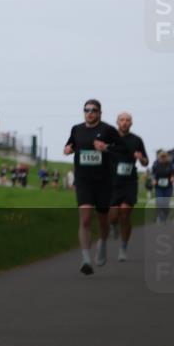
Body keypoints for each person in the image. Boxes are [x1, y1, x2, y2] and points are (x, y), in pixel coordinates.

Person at [63, 99, 122, 275]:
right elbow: (71, 145)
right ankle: (86, 258)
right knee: (86, 219)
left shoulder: (108, 130)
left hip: (104, 181)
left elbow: (121, 151)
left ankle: (102, 243)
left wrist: (106, 148)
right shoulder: (77, 129)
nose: (90, 113)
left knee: (103, 220)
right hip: (83, 180)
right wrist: (68, 149)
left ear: (100, 113)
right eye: (86, 110)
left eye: (93, 110)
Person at [106, 112, 149, 261]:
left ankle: (123, 247)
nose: (124, 122)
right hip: (112, 182)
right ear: (117, 122)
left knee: (125, 213)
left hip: (129, 181)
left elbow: (145, 162)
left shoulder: (137, 140)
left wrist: (141, 158)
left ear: (131, 123)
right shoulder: (110, 139)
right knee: (112, 217)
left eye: (127, 120)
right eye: (122, 120)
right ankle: (113, 226)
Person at [152, 150, 174, 224]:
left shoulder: (171, 164)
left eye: (164, 157)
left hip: (168, 186)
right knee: (159, 201)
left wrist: (172, 177)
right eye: (161, 157)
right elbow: (153, 173)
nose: (163, 158)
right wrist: (154, 180)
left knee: (166, 202)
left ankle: (164, 217)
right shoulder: (156, 164)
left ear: (167, 157)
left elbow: (173, 173)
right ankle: (159, 217)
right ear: (159, 157)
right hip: (158, 186)